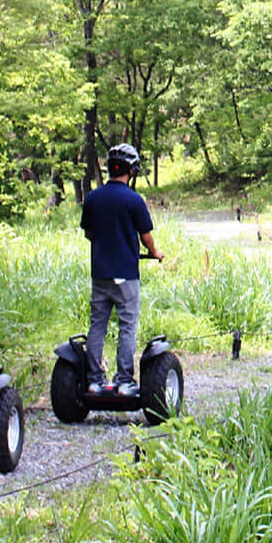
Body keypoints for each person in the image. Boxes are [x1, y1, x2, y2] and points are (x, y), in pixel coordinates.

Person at [81, 143, 162, 396]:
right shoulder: (134, 200)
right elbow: (146, 237)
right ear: (132, 169)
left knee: (98, 325)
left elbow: (89, 233)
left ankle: (94, 380)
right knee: (127, 326)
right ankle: (124, 380)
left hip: (100, 274)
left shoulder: (92, 198)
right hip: (126, 274)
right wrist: (154, 252)